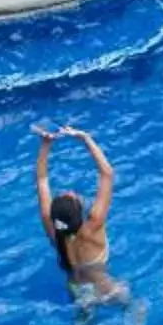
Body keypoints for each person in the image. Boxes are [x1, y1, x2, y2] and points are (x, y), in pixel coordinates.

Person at [33, 125, 128, 306]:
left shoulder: (52, 229)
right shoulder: (93, 226)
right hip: (105, 287)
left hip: (76, 286)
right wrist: (85, 138)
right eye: (72, 196)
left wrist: (45, 145)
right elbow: (107, 174)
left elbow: (41, 180)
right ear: (79, 214)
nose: (70, 191)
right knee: (136, 310)